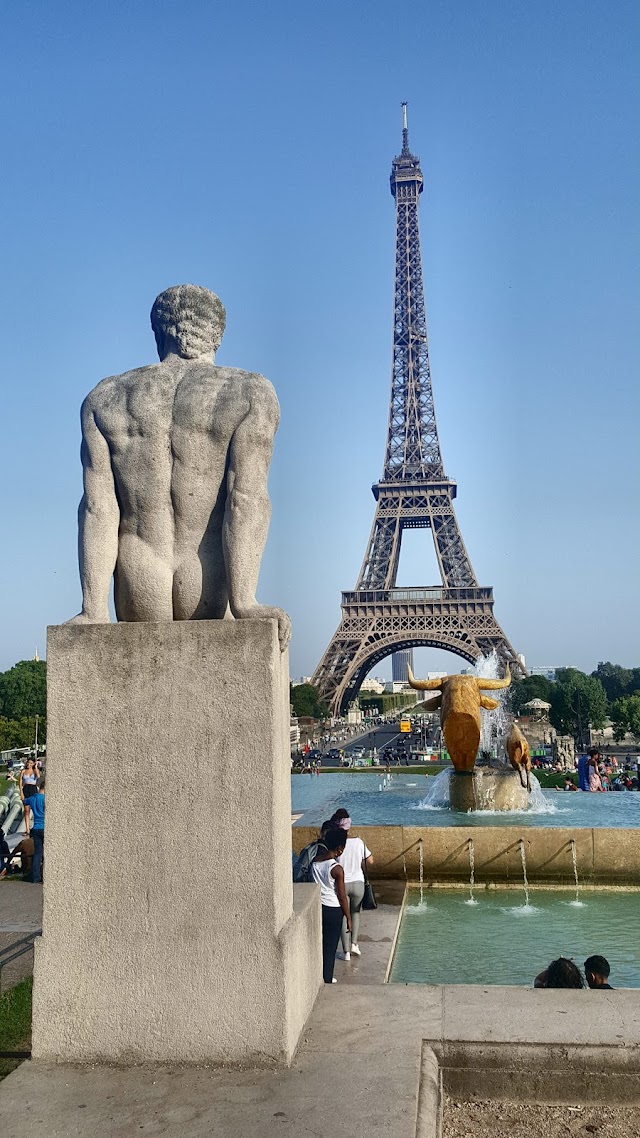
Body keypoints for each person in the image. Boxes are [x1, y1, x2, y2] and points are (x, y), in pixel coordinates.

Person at [66, 284, 290, 651]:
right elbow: (245, 499)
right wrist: (245, 601)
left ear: (158, 333)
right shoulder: (249, 392)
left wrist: (93, 609)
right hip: (208, 581)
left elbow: (97, 508)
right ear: (217, 334)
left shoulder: (104, 397)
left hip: (138, 582)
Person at [311, 825, 351, 984]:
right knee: (330, 947)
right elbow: (342, 896)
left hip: (319, 907)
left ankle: (317, 975)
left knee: (319, 944)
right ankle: (327, 978)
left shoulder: (315, 862)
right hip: (334, 910)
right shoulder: (337, 869)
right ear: (340, 848)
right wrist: (348, 917)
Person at [332, 809, 373, 961]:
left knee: (344, 915)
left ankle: (346, 951)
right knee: (355, 913)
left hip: (342, 884)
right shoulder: (358, 842)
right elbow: (371, 861)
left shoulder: (336, 844)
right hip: (358, 884)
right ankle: (354, 944)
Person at [23, 778, 45, 884]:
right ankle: (45, 874)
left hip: (35, 828)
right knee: (47, 852)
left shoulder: (32, 798)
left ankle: (35, 876)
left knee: (37, 853)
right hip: (45, 827)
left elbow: (24, 801)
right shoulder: (45, 799)